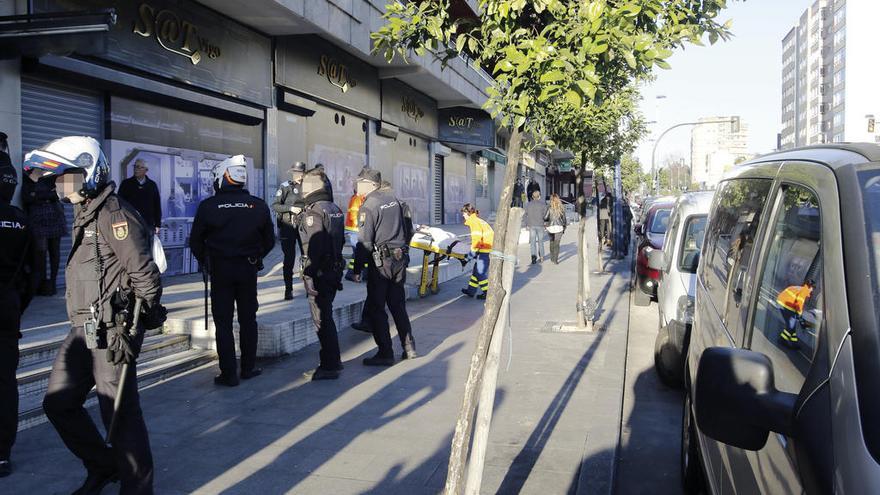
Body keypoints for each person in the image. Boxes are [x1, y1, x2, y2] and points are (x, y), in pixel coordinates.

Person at [26, 136, 161, 494]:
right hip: (83, 328)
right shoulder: (85, 212)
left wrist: (133, 328)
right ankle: (104, 466)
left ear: (88, 172)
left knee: (119, 414)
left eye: (65, 177)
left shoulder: (114, 214)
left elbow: (145, 274)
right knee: (58, 402)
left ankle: (137, 488)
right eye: (57, 179)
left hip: (111, 329)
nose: (58, 185)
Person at [190, 155, 275, 387]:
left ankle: (228, 373)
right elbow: (269, 240)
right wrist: (256, 257)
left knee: (223, 322)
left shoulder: (208, 206)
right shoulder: (258, 205)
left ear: (222, 177)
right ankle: (248, 368)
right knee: (249, 320)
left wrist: (206, 262)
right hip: (247, 269)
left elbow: (195, 241)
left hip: (221, 270)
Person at [355, 168, 416, 365]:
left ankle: (385, 353)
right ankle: (409, 347)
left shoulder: (369, 206)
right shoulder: (395, 201)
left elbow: (364, 242)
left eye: (360, 182)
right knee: (397, 305)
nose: (357, 186)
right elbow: (408, 230)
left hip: (381, 264)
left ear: (371, 184)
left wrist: (357, 269)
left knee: (377, 308)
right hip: (399, 258)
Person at [0, 150, 32, 478]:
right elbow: (34, 273)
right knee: (5, 382)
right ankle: (2, 453)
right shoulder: (22, 221)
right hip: (8, 309)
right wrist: (16, 303)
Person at [298, 168, 346, 380]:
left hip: (320, 273)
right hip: (334, 269)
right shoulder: (333, 207)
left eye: (303, 184)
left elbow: (313, 246)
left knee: (322, 319)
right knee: (327, 316)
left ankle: (330, 365)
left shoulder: (313, 211)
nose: (300, 187)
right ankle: (333, 360)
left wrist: (309, 274)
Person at [21, 163, 67, 296]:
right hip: (37, 220)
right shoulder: (27, 179)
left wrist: (39, 196)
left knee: (54, 252)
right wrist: (46, 196)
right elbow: (27, 198)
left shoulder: (52, 178)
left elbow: (59, 195)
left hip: (54, 218)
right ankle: (40, 284)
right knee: (40, 253)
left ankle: (52, 283)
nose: (41, 170)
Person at [272, 162, 306, 300]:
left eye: (300, 172)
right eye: (295, 172)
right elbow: (275, 206)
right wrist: (291, 208)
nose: (297, 175)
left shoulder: (308, 186)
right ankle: (288, 289)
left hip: (304, 225)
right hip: (288, 226)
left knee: (306, 257)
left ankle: (308, 286)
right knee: (289, 258)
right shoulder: (286, 186)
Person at [118, 159, 162, 234]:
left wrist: (158, 224)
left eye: (139, 167)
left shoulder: (152, 185)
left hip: (148, 225)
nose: (136, 169)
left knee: (148, 245)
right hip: (131, 224)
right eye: (135, 166)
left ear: (146, 170)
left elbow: (157, 205)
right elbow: (119, 203)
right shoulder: (126, 184)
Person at [461, 204, 494, 299]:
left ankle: (487, 292)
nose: (463, 216)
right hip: (487, 248)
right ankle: (471, 291)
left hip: (485, 250)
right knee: (476, 271)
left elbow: (477, 241)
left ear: (468, 213)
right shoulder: (478, 220)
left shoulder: (474, 222)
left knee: (480, 273)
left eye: (463, 213)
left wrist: (469, 256)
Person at [777, 279, 815, 349]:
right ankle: (782, 339)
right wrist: (800, 315)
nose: (812, 290)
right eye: (813, 288)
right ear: (810, 287)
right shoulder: (804, 291)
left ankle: (794, 343)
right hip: (786, 306)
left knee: (792, 325)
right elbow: (799, 303)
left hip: (781, 303)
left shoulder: (799, 288)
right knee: (791, 326)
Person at [343, 181, 366, 282]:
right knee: (358, 252)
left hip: (354, 229)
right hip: (355, 229)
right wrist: (361, 227)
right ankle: (352, 273)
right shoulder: (357, 198)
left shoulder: (358, 197)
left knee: (359, 252)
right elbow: (354, 215)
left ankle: (359, 273)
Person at [544, 193, 568, 264]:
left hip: (550, 228)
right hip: (559, 227)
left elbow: (545, 217)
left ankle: (552, 257)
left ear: (551, 199)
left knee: (552, 242)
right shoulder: (561, 207)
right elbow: (564, 219)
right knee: (557, 244)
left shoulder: (549, 207)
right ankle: (555, 260)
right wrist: (564, 227)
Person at [524, 190, 546, 264]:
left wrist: (526, 224)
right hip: (540, 225)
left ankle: (533, 257)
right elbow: (545, 215)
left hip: (531, 225)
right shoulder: (543, 204)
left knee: (533, 242)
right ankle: (542, 257)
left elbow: (525, 215)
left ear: (532, 197)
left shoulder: (528, 204)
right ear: (539, 196)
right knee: (540, 242)